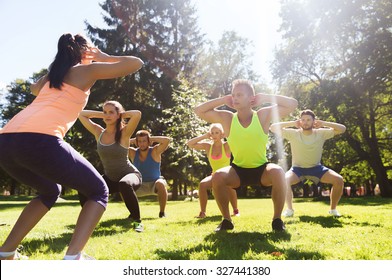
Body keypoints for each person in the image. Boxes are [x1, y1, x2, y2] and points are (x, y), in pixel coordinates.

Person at [0, 33, 143, 260]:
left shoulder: (53, 77)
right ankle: (74, 257)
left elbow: (33, 89)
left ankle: (6, 252)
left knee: (50, 190)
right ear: (84, 49)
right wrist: (103, 57)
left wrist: (55, 68)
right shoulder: (86, 70)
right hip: (40, 138)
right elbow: (136, 63)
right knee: (98, 190)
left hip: (6, 140)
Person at [194, 79, 298, 232]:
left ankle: (277, 220)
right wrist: (223, 100)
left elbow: (292, 104)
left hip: (262, 169)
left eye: (239, 95)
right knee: (217, 176)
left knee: (278, 171)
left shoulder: (262, 115)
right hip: (237, 171)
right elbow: (199, 110)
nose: (235, 98)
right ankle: (226, 220)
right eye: (233, 95)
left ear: (251, 98)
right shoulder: (227, 118)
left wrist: (266, 97)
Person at [78, 101, 144, 232]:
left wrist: (120, 114)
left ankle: (137, 222)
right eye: (105, 112)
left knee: (124, 184)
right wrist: (103, 115)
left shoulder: (124, 133)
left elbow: (137, 114)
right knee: (83, 187)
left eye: (111, 112)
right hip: (110, 178)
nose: (107, 115)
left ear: (118, 115)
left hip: (130, 175)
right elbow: (81, 114)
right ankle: (89, 221)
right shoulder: (98, 132)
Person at [269, 109, 346, 217]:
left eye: (308, 120)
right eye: (303, 120)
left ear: (314, 121)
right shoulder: (293, 133)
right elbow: (272, 127)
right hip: (297, 169)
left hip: (317, 168)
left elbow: (342, 129)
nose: (305, 122)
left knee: (339, 180)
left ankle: (333, 210)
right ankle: (289, 210)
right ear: (300, 121)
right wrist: (292, 123)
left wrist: (324, 123)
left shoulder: (321, 133)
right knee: (284, 180)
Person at [186, 123, 240, 218]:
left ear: (221, 134)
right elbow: (190, 144)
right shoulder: (208, 146)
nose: (214, 135)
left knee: (229, 186)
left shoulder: (227, 146)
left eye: (217, 132)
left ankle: (236, 211)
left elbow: (238, 139)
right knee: (202, 185)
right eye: (212, 133)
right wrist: (205, 136)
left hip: (228, 175)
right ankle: (202, 212)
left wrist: (227, 134)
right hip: (215, 176)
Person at [128, 130, 171, 218]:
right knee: (123, 186)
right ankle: (133, 213)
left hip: (155, 183)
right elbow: (120, 144)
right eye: (139, 141)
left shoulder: (155, 151)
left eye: (144, 141)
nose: (142, 144)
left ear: (148, 142)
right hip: (140, 184)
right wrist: (134, 140)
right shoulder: (133, 152)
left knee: (160, 183)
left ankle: (162, 213)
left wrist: (150, 138)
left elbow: (167, 140)